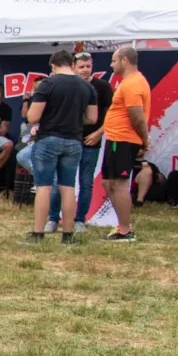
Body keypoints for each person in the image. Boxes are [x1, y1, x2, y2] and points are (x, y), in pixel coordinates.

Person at [22, 49, 96, 245]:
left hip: (48, 139)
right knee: (68, 187)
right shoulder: (87, 86)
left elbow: (33, 117)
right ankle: (68, 234)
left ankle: (38, 233)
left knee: (44, 187)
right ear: (72, 64)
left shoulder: (49, 83)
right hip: (74, 141)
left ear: (53, 65)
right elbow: (92, 118)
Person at [100, 45, 152, 243]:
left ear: (124, 60)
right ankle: (122, 225)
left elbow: (137, 118)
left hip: (123, 140)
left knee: (119, 184)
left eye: (113, 60)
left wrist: (144, 141)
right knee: (107, 182)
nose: (111, 64)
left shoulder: (133, 84)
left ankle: (125, 230)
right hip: (115, 139)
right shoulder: (127, 82)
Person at [70, 51, 113, 229]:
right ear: (73, 67)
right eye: (82, 66)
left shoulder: (102, 86)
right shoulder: (68, 85)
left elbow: (111, 114)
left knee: (86, 182)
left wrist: (99, 133)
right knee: (64, 182)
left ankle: (80, 219)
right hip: (70, 139)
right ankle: (54, 217)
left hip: (91, 140)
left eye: (88, 66)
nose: (85, 70)